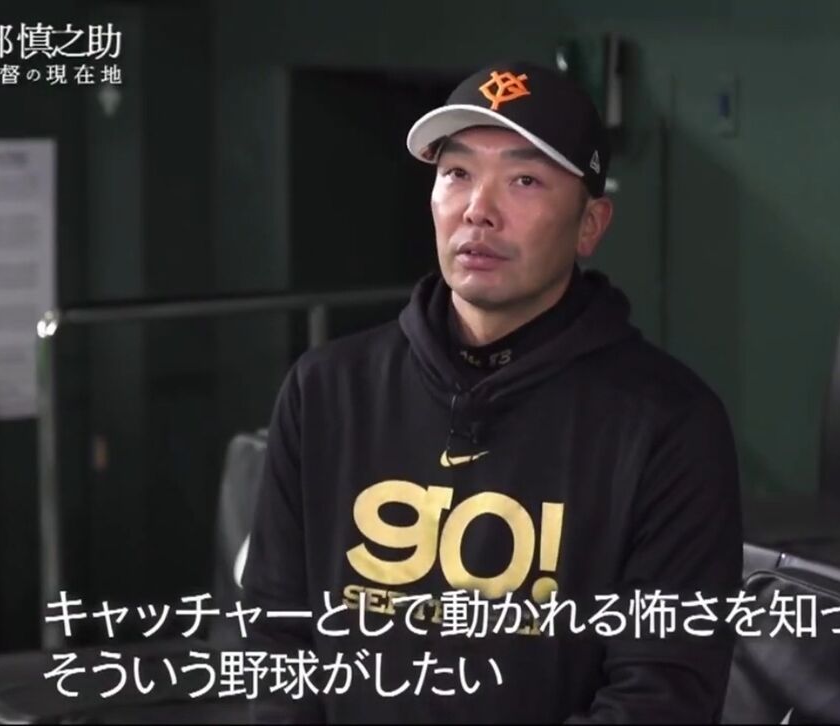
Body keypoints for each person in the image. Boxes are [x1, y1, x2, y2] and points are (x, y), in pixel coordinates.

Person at [243, 59, 743, 724]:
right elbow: (277, 642)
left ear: (590, 225)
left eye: (524, 180)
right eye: (457, 173)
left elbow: (661, 695)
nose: (478, 210)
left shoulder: (670, 423)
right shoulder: (326, 389)